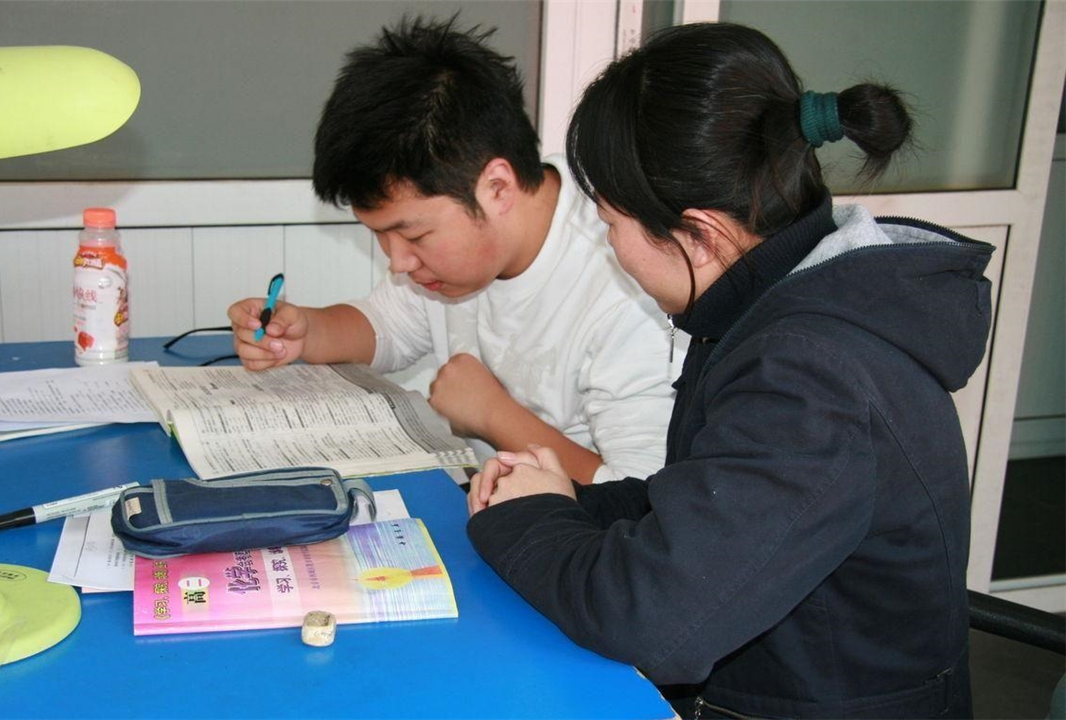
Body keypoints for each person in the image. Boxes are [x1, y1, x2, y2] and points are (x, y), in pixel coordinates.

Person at [467, 22, 990, 719]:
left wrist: (529, 520)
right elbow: (710, 499)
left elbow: (654, 622)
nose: (609, 248)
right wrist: (564, 500)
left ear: (699, 233)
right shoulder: (784, 305)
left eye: (609, 223)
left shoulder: (811, 375)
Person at [228, 16, 681, 484]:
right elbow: (387, 328)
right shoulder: (453, 261)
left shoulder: (625, 281)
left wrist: (493, 416)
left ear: (498, 188)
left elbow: (642, 493)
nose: (398, 261)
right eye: (380, 236)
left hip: (574, 534)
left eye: (414, 236)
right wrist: (307, 332)